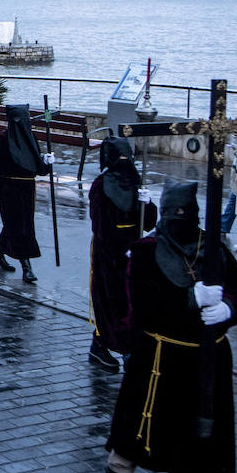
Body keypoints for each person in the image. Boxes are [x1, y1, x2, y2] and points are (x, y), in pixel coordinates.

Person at [104, 180, 237, 473]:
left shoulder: (213, 245)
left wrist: (227, 308)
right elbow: (143, 305)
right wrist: (190, 299)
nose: (181, 221)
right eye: (175, 215)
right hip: (160, 354)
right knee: (146, 419)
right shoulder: (144, 251)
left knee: (215, 432)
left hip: (209, 357)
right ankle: (121, 466)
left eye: (187, 216)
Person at [86, 137, 156, 371]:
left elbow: (148, 223)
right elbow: (100, 224)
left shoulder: (136, 183)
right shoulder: (100, 185)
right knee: (112, 300)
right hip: (109, 253)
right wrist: (119, 248)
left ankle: (120, 346)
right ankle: (113, 346)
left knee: (132, 302)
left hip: (133, 251)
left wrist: (148, 204)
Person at [0, 104, 52, 283]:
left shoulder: (30, 137)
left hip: (27, 189)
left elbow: (37, 167)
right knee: (19, 227)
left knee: (18, 224)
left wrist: (47, 163)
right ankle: (27, 268)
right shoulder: (2, 139)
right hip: (8, 190)